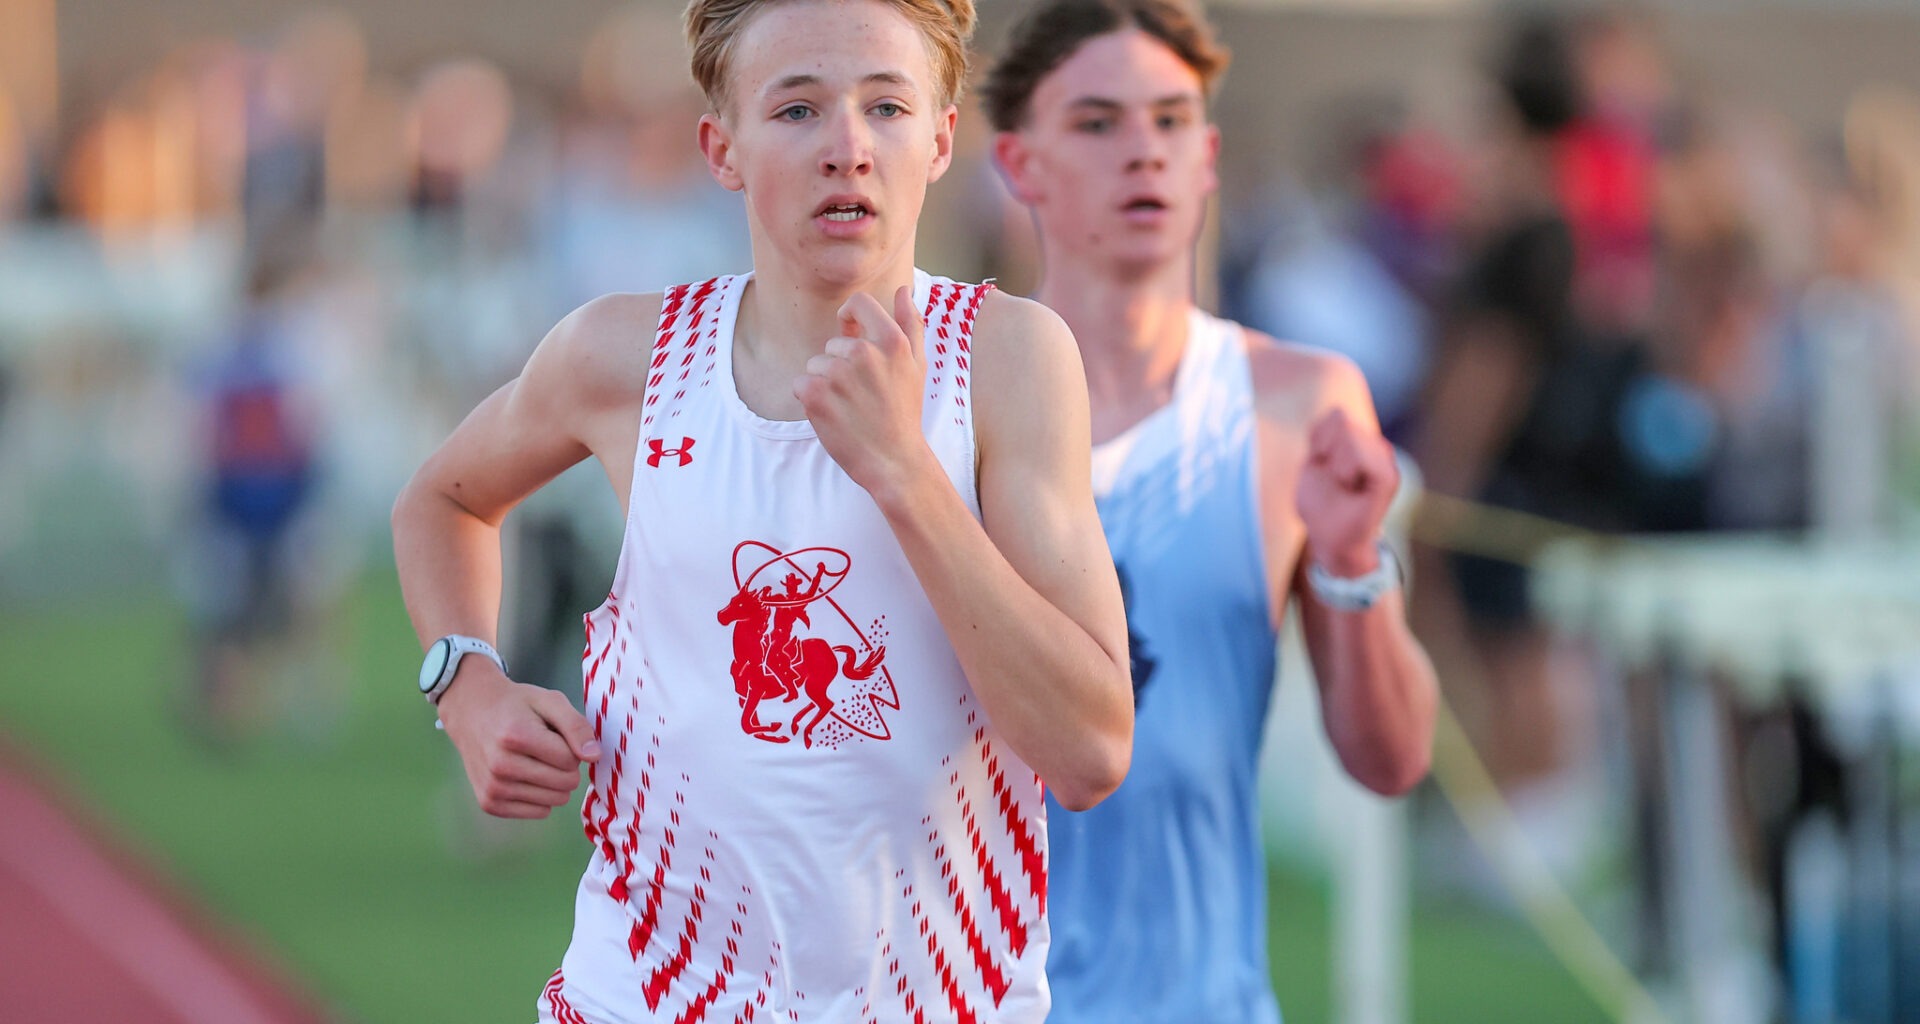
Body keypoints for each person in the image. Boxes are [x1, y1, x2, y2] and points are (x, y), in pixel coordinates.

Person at [390, 0, 1134, 1021]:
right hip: (643, 997)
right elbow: (442, 498)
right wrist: (466, 686)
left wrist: (905, 473)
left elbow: (1091, 750)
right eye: (796, 111)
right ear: (722, 147)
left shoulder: (1007, 361)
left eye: (885, 107)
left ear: (943, 138)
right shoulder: (623, 359)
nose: (847, 149)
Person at [980, 2, 1438, 1021]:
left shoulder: (1295, 404)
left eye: (1171, 120)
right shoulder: (931, 400)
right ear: (1019, 163)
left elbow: (1392, 758)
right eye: (1098, 123)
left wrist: (1354, 558)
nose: (1143, 151)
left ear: (1210, 156)